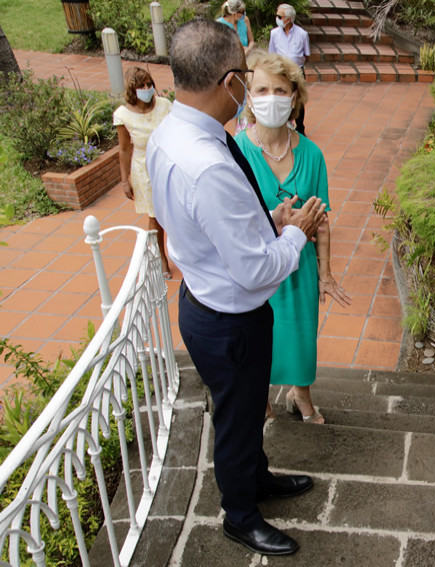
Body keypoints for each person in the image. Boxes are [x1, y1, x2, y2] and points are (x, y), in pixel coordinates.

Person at [147, 20, 327, 556]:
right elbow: (255, 271)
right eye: (248, 79)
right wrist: (297, 231)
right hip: (230, 316)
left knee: (247, 411)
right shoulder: (208, 164)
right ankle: (239, 514)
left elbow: (201, 223)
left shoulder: (172, 133)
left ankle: (258, 478)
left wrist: (265, 221)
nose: (252, 91)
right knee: (236, 419)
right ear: (229, 82)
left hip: (205, 294)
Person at [236, 50, 351, 424]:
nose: (272, 97)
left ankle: (301, 394)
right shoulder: (237, 151)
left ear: (294, 97)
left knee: (301, 337)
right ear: (250, 96)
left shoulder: (312, 154)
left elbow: (322, 221)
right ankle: (262, 399)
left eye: (281, 90)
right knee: (259, 340)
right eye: (263, 89)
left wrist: (326, 272)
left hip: (298, 268)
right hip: (257, 268)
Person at [113, 67, 173, 278]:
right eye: (142, 86)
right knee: (155, 216)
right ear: (133, 90)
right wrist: (124, 180)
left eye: (149, 84)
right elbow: (124, 149)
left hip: (168, 163)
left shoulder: (164, 106)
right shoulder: (123, 115)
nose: (147, 89)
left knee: (175, 210)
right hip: (144, 169)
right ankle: (161, 257)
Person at [268, 4, 310, 134]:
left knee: (298, 99)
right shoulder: (274, 33)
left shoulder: (302, 34)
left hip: (297, 70)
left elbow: (306, 54)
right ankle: (282, 124)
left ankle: (300, 127)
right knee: (280, 96)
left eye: (280, 16)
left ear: (289, 18)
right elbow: (272, 53)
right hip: (280, 70)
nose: (278, 18)